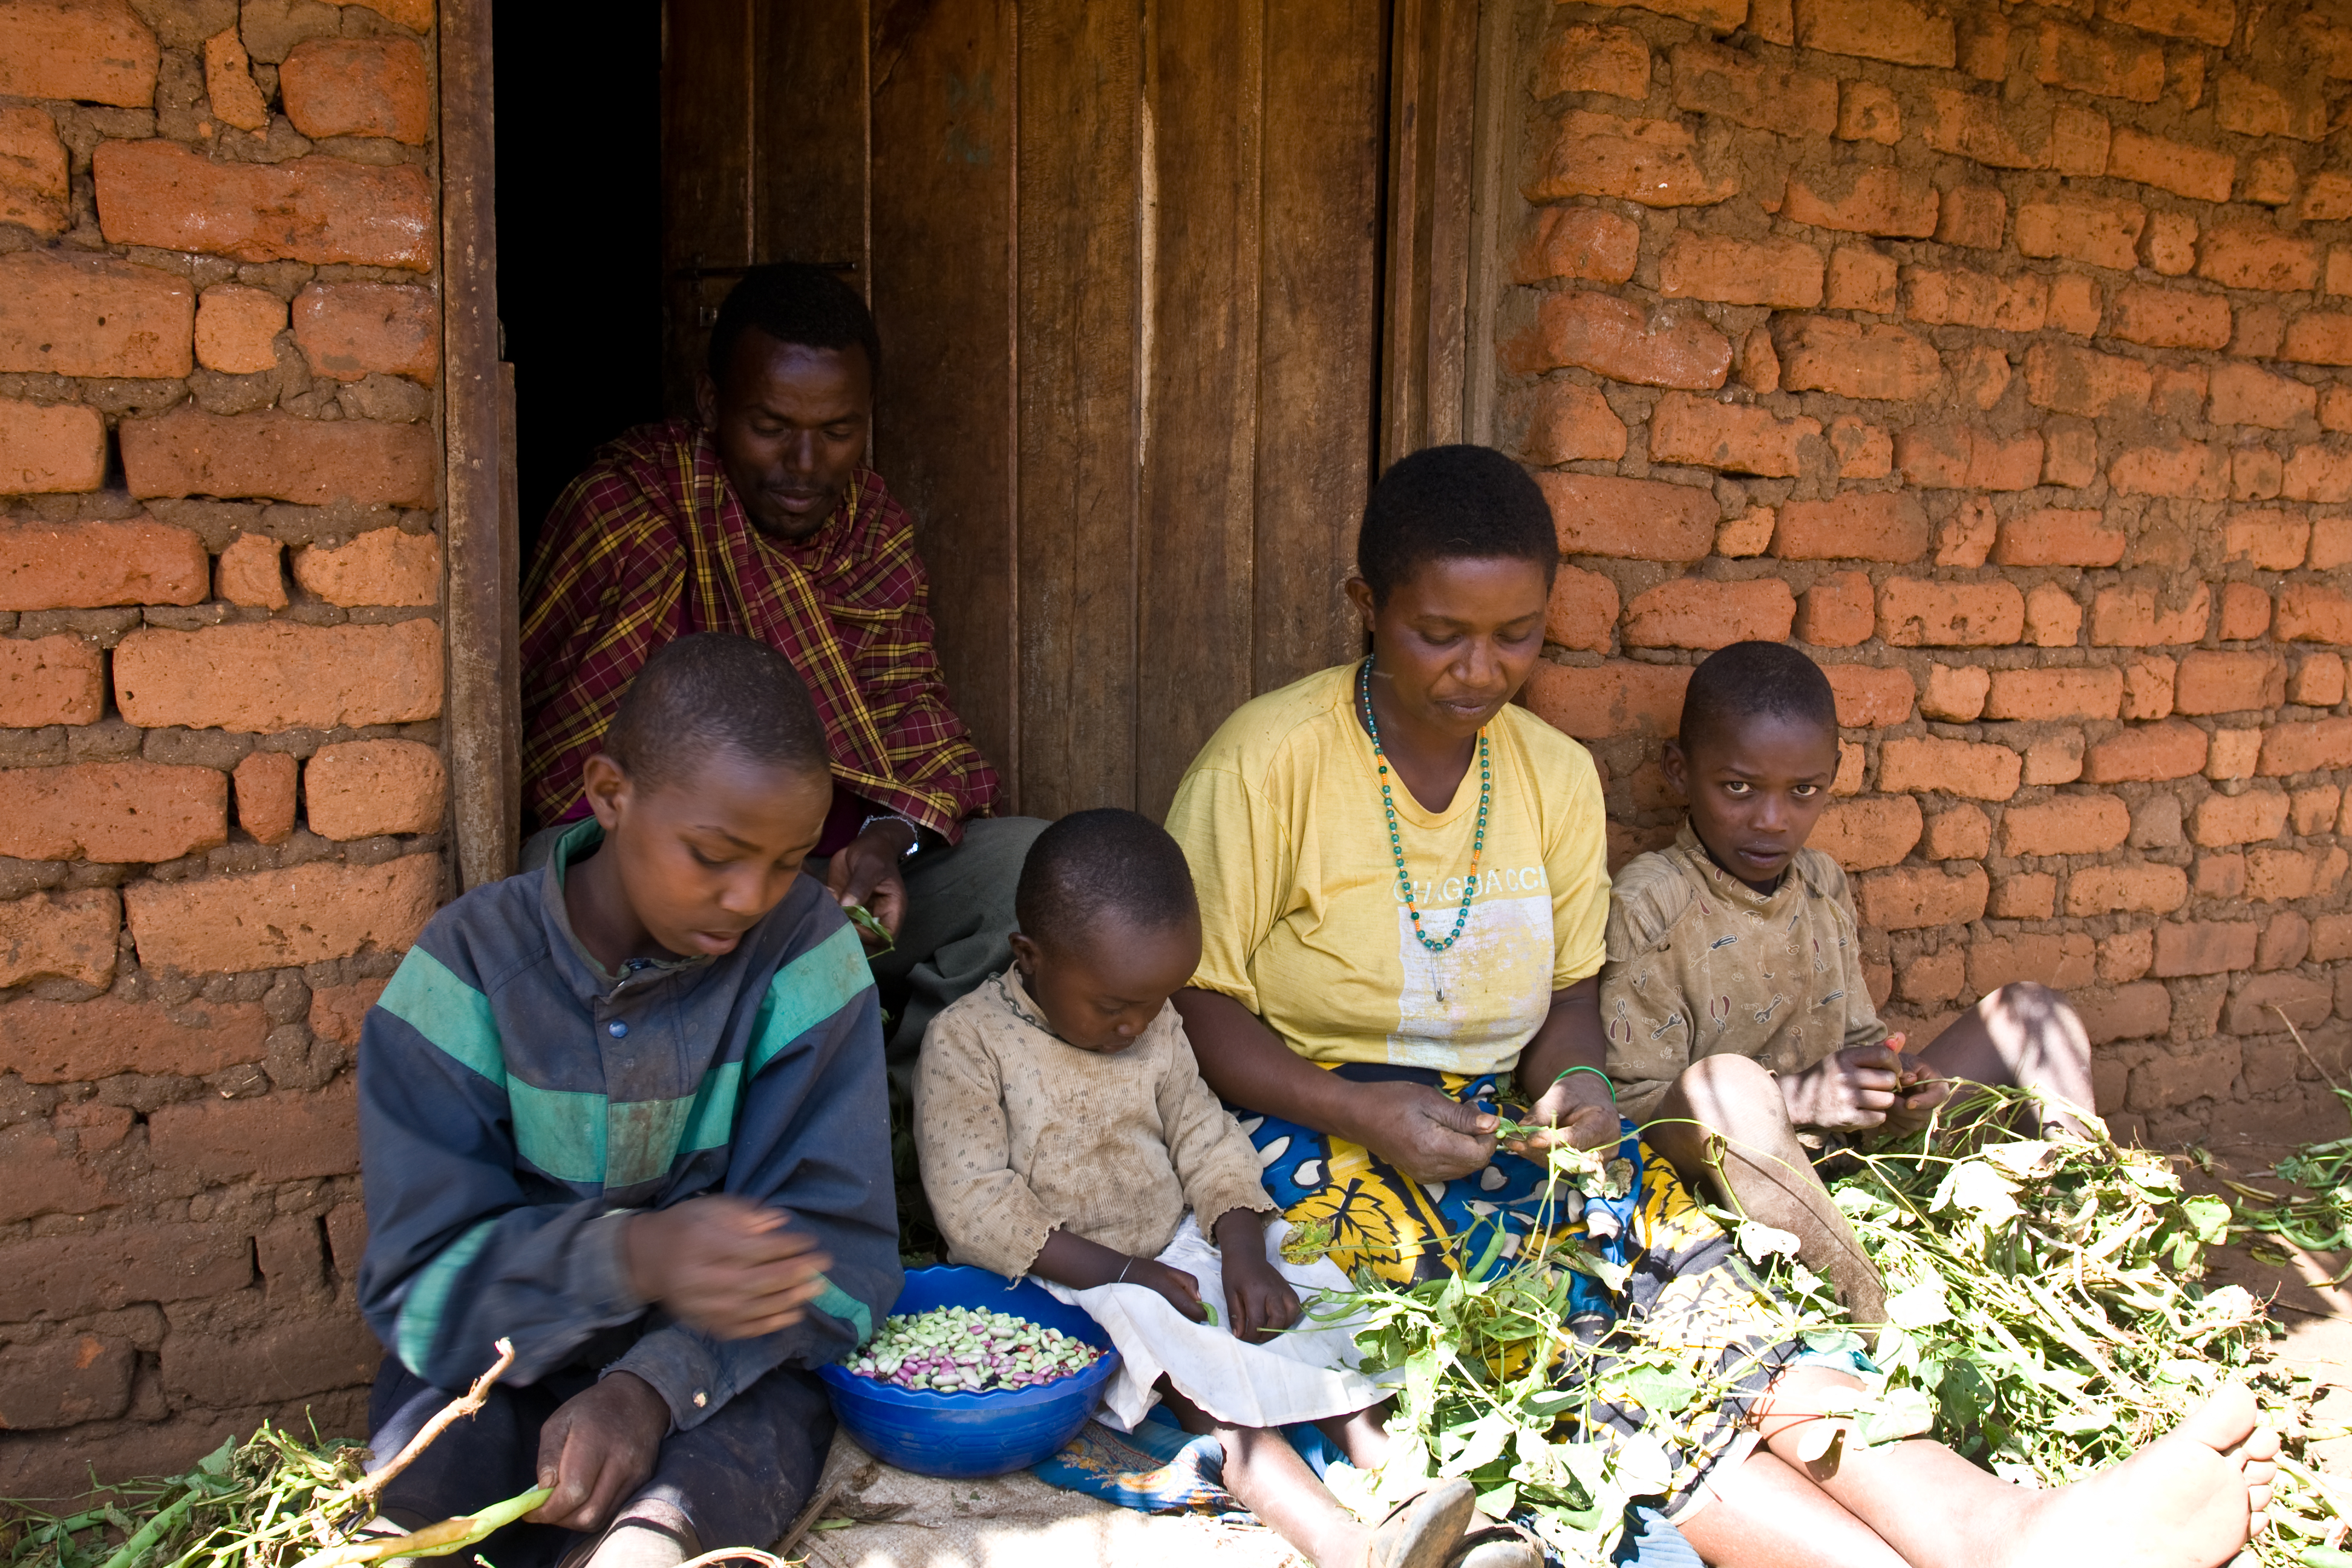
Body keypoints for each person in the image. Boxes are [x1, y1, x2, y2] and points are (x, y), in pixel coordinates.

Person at [1159, 445, 2277, 1567]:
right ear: (1366, 605)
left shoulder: (1548, 774)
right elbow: (1199, 1013)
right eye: (1438, 632)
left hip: (1495, 1119)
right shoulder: (1264, 765)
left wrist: (1582, 1086)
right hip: (1311, 1130)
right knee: (1551, 1344)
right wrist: (1358, 1112)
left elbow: (1568, 1000)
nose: (1479, 668)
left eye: (1518, 635)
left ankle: (1989, 1524)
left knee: (1694, 1278)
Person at [354, 634, 901, 1568]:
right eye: (713, 854)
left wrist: (649, 1388)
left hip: (723, 1371)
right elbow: (420, 1290)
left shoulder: (807, 954)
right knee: (418, 1512)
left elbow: (841, 1256)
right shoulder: (467, 976)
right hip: (498, 1355)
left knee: (659, 1540)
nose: (750, 898)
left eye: (788, 861)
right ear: (610, 795)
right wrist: (634, 1256)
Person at [915, 808, 1516, 1568]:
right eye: (1113, 1007)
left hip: (1170, 1248)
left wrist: (1241, 1248)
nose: (1139, 1025)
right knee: (1206, 1384)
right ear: (1029, 956)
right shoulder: (970, 1041)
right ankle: (1345, 1547)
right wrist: (1128, 1274)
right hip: (1057, 1280)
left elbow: (1204, 1134)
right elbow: (976, 1205)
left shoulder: (1155, 1022)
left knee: (1305, 1299)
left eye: (1156, 1001)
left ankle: (1416, 1494)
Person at [518, 262, 1042, 1068]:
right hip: (684, 884)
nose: (805, 462)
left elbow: (917, 732)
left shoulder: (873, 532)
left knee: (1025, 866)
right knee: (548, 880)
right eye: (771, 425)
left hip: (840, 886)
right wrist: (726, 871)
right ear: (710, 404)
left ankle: (908, 1118)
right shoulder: (629, 513)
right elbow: (556, 767)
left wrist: (887, 841)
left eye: (838, 432)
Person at [1599, 639, 2100, 1330]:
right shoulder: (1652, 902)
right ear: (1680, 773)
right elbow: (1634, 1122)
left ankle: (2090, 1255)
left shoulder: (1824, 885)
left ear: (1832, 778)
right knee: (1734, 1089)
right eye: (1738, 788)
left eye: (1804, 791)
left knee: (2033, 1013)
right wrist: (1799, 1100)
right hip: (1732, 1195)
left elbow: (1860, 1038)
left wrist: (1896, 1087)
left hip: (1857, 1171)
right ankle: (1878, 1323)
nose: (1773, 819)